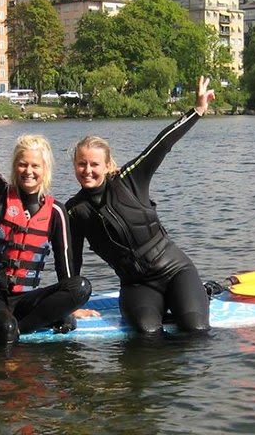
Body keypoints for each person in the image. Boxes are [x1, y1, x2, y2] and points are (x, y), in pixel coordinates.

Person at [0, 56, 93, 345]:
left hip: (23, 300)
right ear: (15, 166)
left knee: (81, 287)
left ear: (45, 170)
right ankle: (10, 333)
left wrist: (70, 306)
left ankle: (19, 326)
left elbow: (66, 274)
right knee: (6, 331)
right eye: (22, 164)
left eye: (35, 166)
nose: (28, 171)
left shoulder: (56, 212)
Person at [66, 76, 215, 334]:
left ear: (108, 165)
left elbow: (162, 143)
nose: (87, 170)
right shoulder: (74, 211)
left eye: (94, 164)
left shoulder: (130, 179)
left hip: (175, 269)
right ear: (75, 166)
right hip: (137, 285)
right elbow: (72, 260)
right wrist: (71, 304)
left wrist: (197, 111)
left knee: (196, 329)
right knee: (147, 333)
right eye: (82, 164)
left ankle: (195, 297)